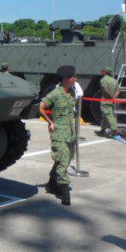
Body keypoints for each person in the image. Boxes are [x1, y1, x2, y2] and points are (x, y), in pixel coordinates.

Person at [39, 65, 77, 206]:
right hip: (59, 133)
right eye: (73, 76)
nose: (76, 78)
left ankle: (51, 184)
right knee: (62, 160)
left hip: (70, 133)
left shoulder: (72, 92)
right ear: (66, 79)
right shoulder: (55, 93)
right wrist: (50, 122)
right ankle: (64, 191)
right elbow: (41, 107)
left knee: (64, 161)